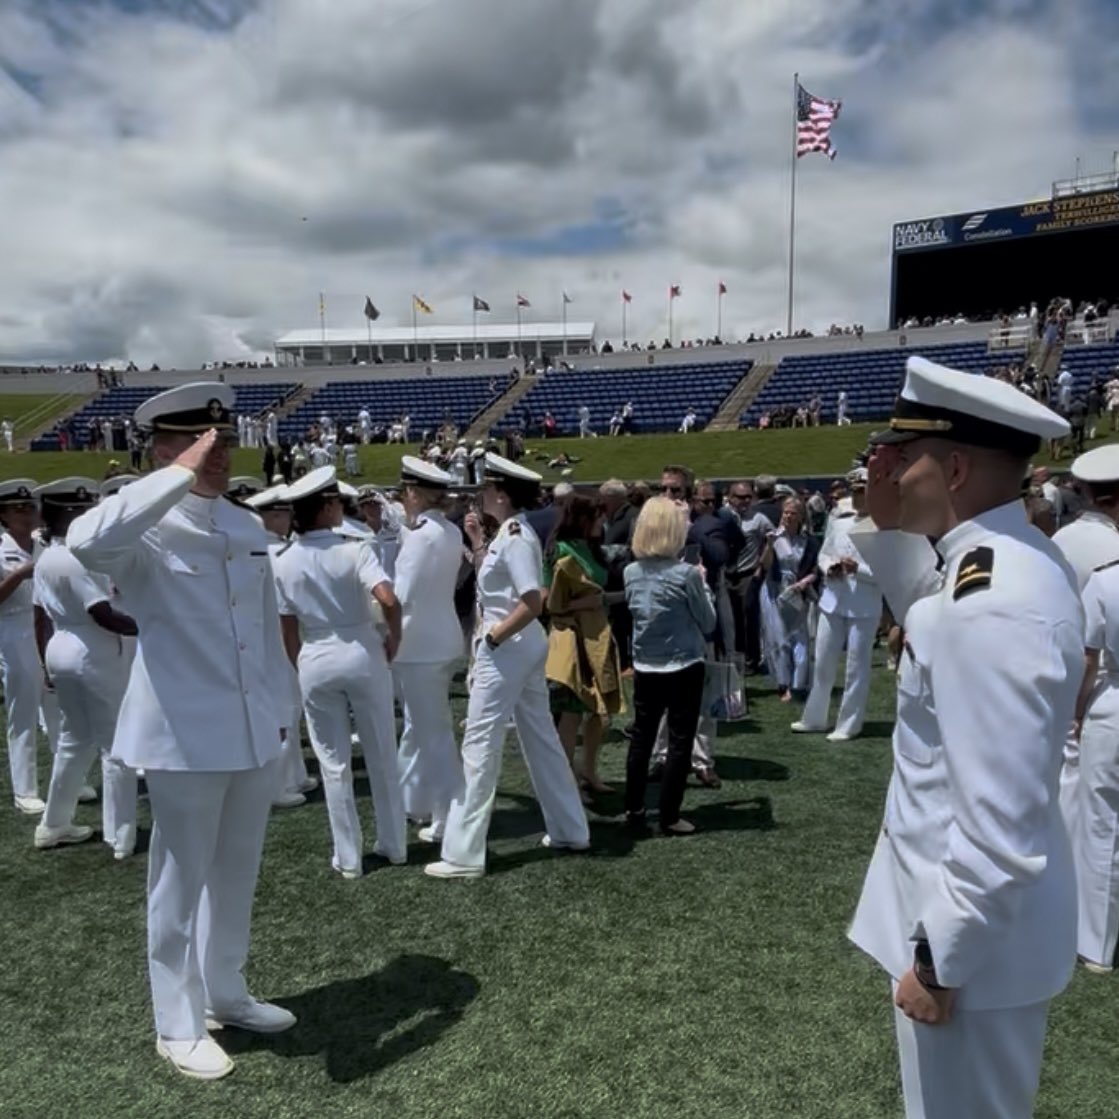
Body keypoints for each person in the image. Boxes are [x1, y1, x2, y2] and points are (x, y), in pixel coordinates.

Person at [846, 355, 1081, 1119]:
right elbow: (927, 611)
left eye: (899, 454)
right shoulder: (1000, 561)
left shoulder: (988, 599)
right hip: (975, 938)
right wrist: (883, 524)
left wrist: (938, 959)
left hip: (968, 953)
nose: (884, 466)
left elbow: (999, 825)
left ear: (949, 467)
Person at [68, 384, 296, 1081]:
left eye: (224, 441)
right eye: (203, 441)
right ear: (165, 447)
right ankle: (176, 1020)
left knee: (237, 871)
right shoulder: (142, 529)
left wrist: (281, 712)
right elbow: (86, 541)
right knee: (178, 877)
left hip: (252, 730)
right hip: (181, 735)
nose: (219, 453)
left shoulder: (244, 527)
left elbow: (261, 631)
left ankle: (224, 989)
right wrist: (173, 475)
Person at [425, 454, 589, 879]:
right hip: (519, 647)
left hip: (508, 647)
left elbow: (532, 600)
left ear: (499, 493)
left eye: (484, 489)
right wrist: (479, 542)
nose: (479, 496)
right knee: (541, 741)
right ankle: (571, 829)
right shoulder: (509, 534)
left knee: (479, 744)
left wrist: (495, 637)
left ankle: (463, 854)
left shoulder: (515, 536)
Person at [273, 466, 406, 878]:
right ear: (328, 507)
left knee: (333, 764)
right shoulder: (356, 548)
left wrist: (302, 663)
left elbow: (287, 627)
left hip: (315, 653)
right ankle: (394, 845)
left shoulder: (283, 560)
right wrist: (394, 639)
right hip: (362, 649)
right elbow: (388, 598)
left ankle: (348, 857)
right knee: (382, 750)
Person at [32, 478, 139, 857]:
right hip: (92, 648)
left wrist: (43, 658)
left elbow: (38, 614)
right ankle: (120, 834)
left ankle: (55, 823)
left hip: (61, 646)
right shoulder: (74, 558)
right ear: (70, 515)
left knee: (74, 741)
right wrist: (150, 626)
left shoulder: (46, 556)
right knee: (116, 743)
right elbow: (102, 613)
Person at [622, 496, 716, 836]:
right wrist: (703, 584)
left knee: (642, 739)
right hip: (683, 664)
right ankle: (669, 815)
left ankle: (633, 809)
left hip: (646, 665)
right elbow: (708, 622)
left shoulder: (631, 572)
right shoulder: (686, 574)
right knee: (679, 740)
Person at [392, 456, 465, 844]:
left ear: (415, 494)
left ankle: (451, 815)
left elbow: (400, 596)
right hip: (440, 641)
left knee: (433, 735)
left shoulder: (422, 536)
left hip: (418, 647)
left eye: (406, 493)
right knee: (421, 729)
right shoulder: (448, 531)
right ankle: (418, 802)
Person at [1051, 444, 1119, 838]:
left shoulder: (1060, 538)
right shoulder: (1113, 546)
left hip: (1061, 663)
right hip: (1100, 676)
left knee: (1067, 780)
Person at [792, 467, 881, 741]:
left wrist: (859, 571)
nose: (856, 498)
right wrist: (830, 567)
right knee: (823, 662)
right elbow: (824, 553)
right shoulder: (840, 521)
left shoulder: (883, 527)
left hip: (864, 603)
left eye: (862, 492)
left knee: (856, 665)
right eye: (854, 492)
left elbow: (889, 573)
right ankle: (815, 718)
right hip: (833, 599)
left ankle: (849, 723)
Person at [544, 494, 624, 797]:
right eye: (597, 517)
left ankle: (588, 770)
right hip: (571, 637)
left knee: (601, 711)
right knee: (571, 712)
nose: (602, 523)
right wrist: (583, 602)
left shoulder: (591, 548)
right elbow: (551, 602)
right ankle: (566, 778)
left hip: (597, 634)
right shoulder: (560, 551)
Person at [244, 484, 317, 809]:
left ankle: (296, 773)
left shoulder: (265, 550)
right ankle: (279, 784)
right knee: (283, 708)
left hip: (271, 635)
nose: (288, 519)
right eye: (282, 513)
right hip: (275, 638)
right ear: (268, 517)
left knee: (290, 706)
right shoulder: (273, 553)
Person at [0, 477, 59, 815]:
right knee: (23, 710)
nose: (27, 513)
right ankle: (25, 790)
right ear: (4, 516)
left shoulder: (44, 545)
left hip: (48, 626)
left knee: (57, 706)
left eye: (30, 506)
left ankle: (66, 779)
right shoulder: (1, 548)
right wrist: (19, 575)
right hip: (15, 628)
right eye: (17, 508)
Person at [1072, 558, 1119, 974]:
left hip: (1113, 707)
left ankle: (1098, 945)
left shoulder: (1106, 580)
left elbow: (1088, 657)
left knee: (1103, 825)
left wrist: (1077, 708)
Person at [759, 497, 819, 702]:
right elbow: (765, 566)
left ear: (801, 516)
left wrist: (804, 582)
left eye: (793, 512)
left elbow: (815, 569)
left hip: (798, 592)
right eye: (786, 512)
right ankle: (783, 683)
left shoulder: (809, 540)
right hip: (775, 591)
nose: (788, 516)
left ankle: (798, 684)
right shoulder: (773, 537)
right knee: (780, 639)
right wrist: (769, 545)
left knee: (800, 638)